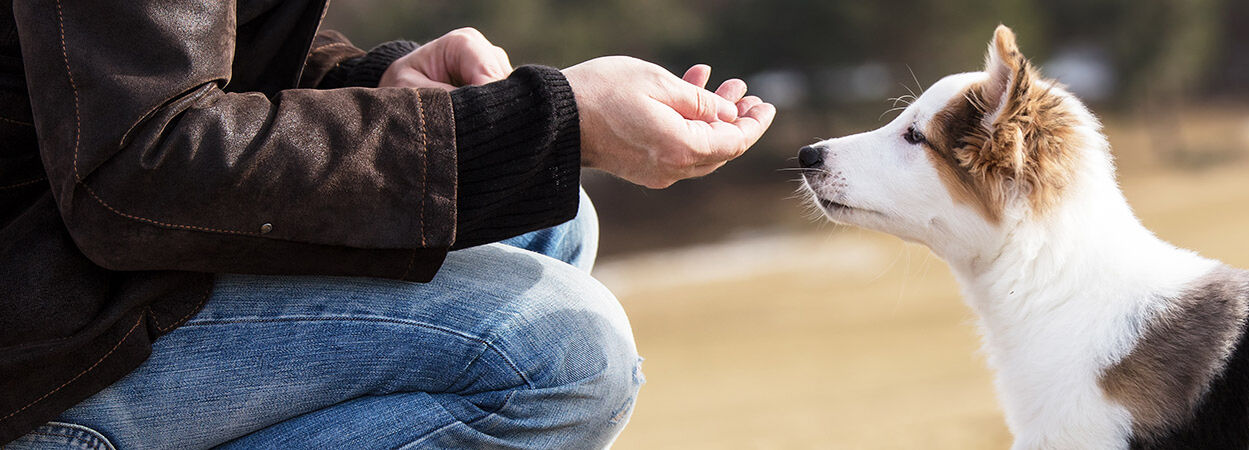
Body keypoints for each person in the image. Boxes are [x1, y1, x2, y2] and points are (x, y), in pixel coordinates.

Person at [0, 0, 774, 448]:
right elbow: (142, 163)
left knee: (548, 224)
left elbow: (174, 64)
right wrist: (546, 125)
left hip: (76, 270)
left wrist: (369, 85)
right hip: (32, 353)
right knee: (563, 350)